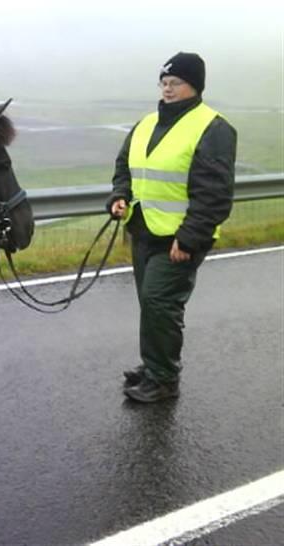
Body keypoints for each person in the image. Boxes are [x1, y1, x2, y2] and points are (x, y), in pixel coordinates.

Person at [107, 51, 237, 403]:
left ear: (194, 86)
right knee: (150, 303)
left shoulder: (213, 128)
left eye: (175, 82)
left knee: (160, 302)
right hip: (144, 230)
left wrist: (190, 239)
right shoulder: (146, 123)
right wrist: (120, 195)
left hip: (179, 239)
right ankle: (153, 366)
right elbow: (125, 166)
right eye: (164, 82)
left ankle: (164, 379)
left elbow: (215, 193)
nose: (167, 88)